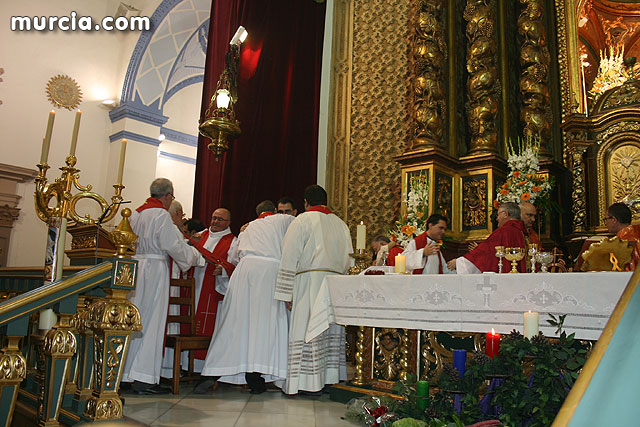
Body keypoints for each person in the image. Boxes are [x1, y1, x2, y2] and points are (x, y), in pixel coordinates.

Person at [194, 200, 295, 394]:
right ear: (275, 211)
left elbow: (233, 257)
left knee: (236, 325)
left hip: (244, 273)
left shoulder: (248, 228)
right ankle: (255, 375)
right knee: (265, 326)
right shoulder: (283, 220)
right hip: (268, 274)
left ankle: (211, 374)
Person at [121, 178, 201, 395]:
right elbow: (171, 244)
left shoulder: (135, 214)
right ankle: (144, 378)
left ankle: (125, 374)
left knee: (134, 320)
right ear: (167, 196)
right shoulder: (161, 215)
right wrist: (192, 258)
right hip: (155, 270)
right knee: (152, 322)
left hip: (135, 268)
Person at [275, 185, 352, 395]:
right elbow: (349, 260)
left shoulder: (302, 220)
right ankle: (328, 379)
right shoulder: (341, 225)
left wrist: (286, 291)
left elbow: (289, 254)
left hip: (309, 283)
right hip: (334, 285)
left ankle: (304, 383)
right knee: (328, 331)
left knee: (306, 328)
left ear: (306, 202)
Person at [184, 208, 238, 373]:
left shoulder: (233, 242)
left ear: (228, 223)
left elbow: (235, 266)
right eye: (213, 218)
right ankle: (185, 365)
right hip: (194, 285)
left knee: (209, 327)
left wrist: (223, 270)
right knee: (189, 322)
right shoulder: (201, 235)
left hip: (213, 290)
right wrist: (190, 243)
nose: (215, 222)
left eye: (220, 219)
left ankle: (202, 368)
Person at [447, 202, 527, 273]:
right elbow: (492, 252)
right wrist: (479, 249)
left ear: (505, 214)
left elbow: (486, 253)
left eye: (498, 214)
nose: (497, 218)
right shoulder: (521, 232)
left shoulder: (503, 231)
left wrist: (458, 262)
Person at [604, 202, 640, 271]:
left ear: (614, 220)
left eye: (606, 219)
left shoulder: (622, 242)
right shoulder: (637, 234)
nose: (605, 223)